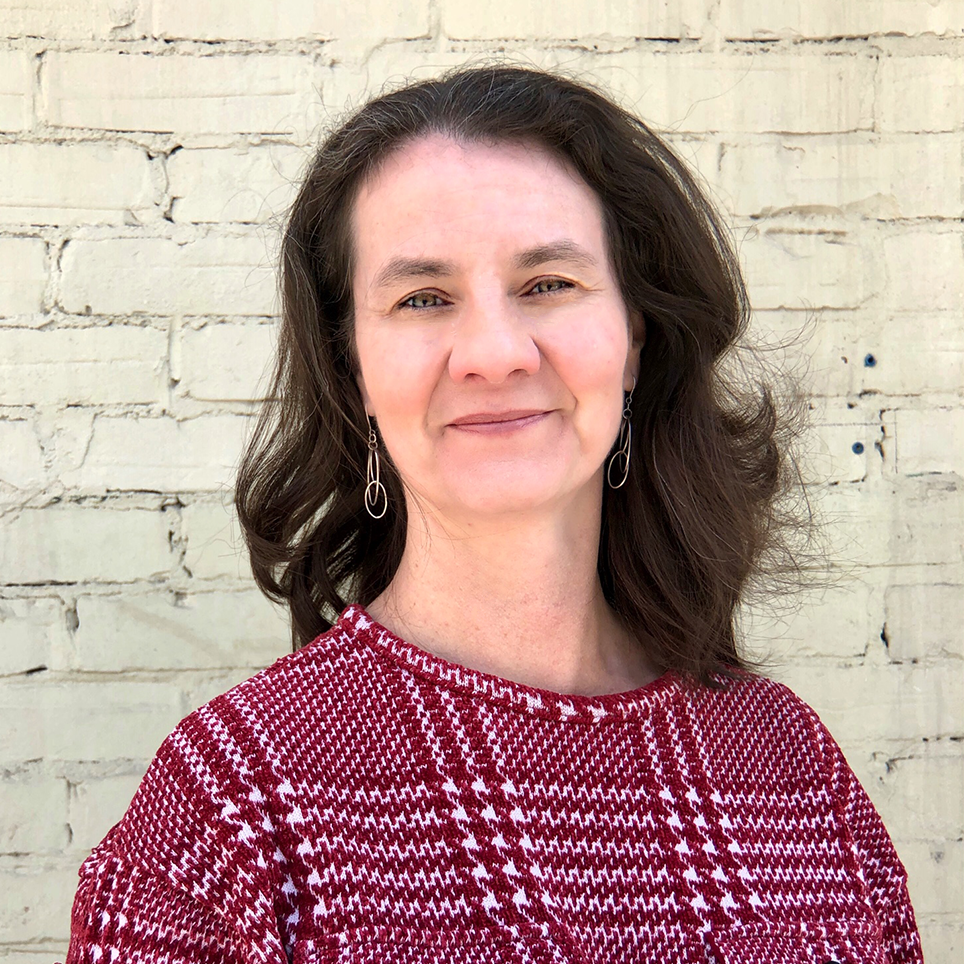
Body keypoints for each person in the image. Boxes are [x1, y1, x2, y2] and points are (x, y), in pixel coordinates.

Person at [63, 64, 923, 964]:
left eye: (548, 282)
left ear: (634, 337)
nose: (495, 352)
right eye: (422, 299)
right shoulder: (229, 807)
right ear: (352, 370)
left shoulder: (793, 767)